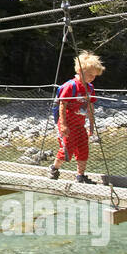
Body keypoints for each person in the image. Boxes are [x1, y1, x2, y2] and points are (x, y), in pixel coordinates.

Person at [49, 50, 104, 183]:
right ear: (80, 71)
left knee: (83, 149)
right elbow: (62, 105)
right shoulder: (70, 86)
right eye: (90, 75)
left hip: (80, 124)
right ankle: (54, 168)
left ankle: (80, 175)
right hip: (68, 123)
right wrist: (62, 125)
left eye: (94, 76)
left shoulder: (90, 88)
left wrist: (91, 124)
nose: (92, 78)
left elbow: (90, 107)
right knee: (67, 149)